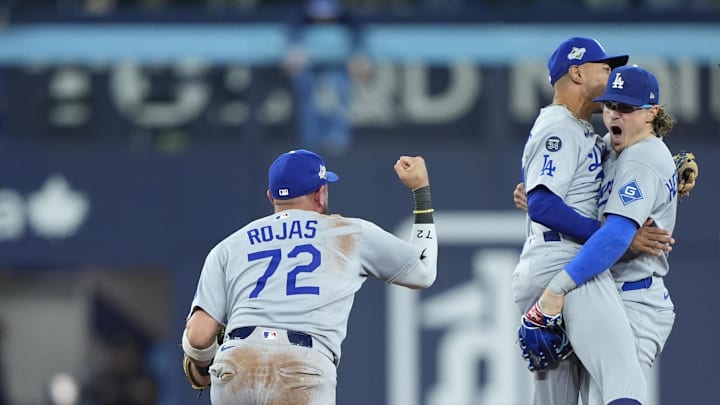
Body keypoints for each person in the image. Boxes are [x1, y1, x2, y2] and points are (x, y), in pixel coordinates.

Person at [181, 149, 438, 405]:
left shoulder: (229, 245)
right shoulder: (348, 233)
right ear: (320, 193)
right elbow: (423, 272)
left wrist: (204, 367)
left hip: (236, 363)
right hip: (301, 366)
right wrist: (421, 192)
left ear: (271, 196)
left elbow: (199, 336)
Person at [528, 65, 679, 405]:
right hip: (606, 294)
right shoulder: (618, 149)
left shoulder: (642, 158)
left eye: (626, 108)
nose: (614, 114)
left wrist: (558, 287)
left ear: (651, 112)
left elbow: (615, 237)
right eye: (611, 105)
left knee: (617, 396)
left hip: (635, 298)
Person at [511, 36, 648, 405]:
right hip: (570, 266)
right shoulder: (559, 127)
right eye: (604, 67)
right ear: (576, 73)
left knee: (557, 400)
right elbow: (542, 205)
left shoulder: (579, 128)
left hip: (547, 261)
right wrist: (609, 237)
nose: (611, 73)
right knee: (623, 377)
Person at [282, 0, 372, 156]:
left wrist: (359, 54)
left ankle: (337, 138)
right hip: (310, 67)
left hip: (338, 65)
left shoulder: (348, 19)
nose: (323, 22)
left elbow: (359, 36)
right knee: (305, 86)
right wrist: (294, 48)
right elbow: (292, 43)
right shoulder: (298, 18)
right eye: (319, 18)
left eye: (328, 19)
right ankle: (311, 141)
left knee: (340, 86)